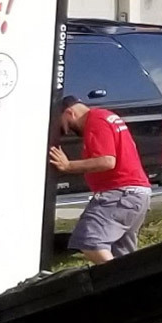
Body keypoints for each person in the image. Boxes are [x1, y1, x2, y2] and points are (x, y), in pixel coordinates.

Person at [49, 96, 151, 263]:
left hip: (120, 194)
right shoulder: (107, 117)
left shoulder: (95, 121)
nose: (66, 131)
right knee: (122, 254)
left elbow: (107, 161)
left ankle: (114, 277)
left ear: (70, 113)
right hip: (137, 195)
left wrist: (68, 166)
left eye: (64, 124)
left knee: (89, 240)